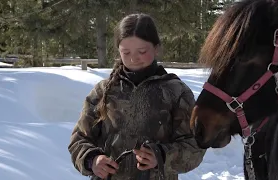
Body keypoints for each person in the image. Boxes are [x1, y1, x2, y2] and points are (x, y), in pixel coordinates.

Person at [68, 13, 206, 180]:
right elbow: (79, 139)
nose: (134, 58)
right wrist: (92, 160)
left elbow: (195, 145)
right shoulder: (103, 91)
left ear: (156, 48)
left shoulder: (176, 92)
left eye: (142, 51)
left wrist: (162, 156)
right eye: (126, 52)